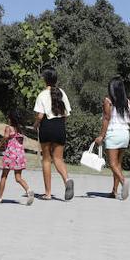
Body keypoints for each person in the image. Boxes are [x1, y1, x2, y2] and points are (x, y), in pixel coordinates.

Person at [94, 76, 130, 199]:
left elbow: (106, 119)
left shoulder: (108, 101)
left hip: (113, 134)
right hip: (125, 135)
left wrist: (101, 136)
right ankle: (114, 191)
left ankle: (123, 181)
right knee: (118, 164)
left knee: (112, 164)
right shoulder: (128, 102)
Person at [32, 67, 73, 201]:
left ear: (45, 79)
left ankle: (48, 193)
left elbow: (40, 115)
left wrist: (35, 125)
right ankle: (67, 180)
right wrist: (60, 124)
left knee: (46, 159)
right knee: (58, 159)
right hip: (60, 126)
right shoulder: (62, 93)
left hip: (47, 126)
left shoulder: (42, 94)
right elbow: (67, 114)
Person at [0, 108, 34, 205]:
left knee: (4, 176)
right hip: (20, 155)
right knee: (18, 178)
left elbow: (6, 136)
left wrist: (1, 143)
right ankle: (28, 190)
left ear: (10, 118)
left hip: (10, 155)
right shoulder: (20, 130)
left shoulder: (9, 128)